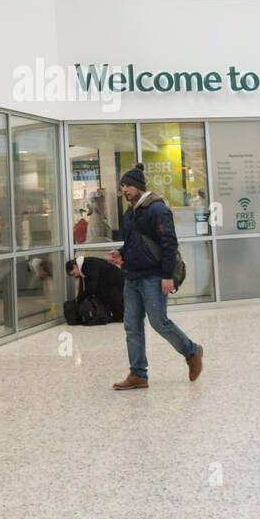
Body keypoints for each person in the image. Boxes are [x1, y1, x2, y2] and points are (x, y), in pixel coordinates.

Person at [109, 164, 203, 390]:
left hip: (153, 276)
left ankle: (192, 351)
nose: (125, 190)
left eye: (129, 185)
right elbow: (132, 243)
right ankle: (138, 374)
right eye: (123, 185)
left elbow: (169, 243)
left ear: (140, 186)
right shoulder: (129, 213)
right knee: (131, 325)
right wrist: (121, 254)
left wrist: (167, 275)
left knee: (159, 322)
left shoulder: (157, 209)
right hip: (132, 277)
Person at [66, 255, 125, 322]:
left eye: (74, 273)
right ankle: (117, 316)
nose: (75, 276)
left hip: (116, 280)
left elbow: (92, 287)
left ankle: (120, 316)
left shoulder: (87, 265)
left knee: (115, 298)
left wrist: (79, 298)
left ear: (74, 266)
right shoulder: (85, 264)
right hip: (112, 281)